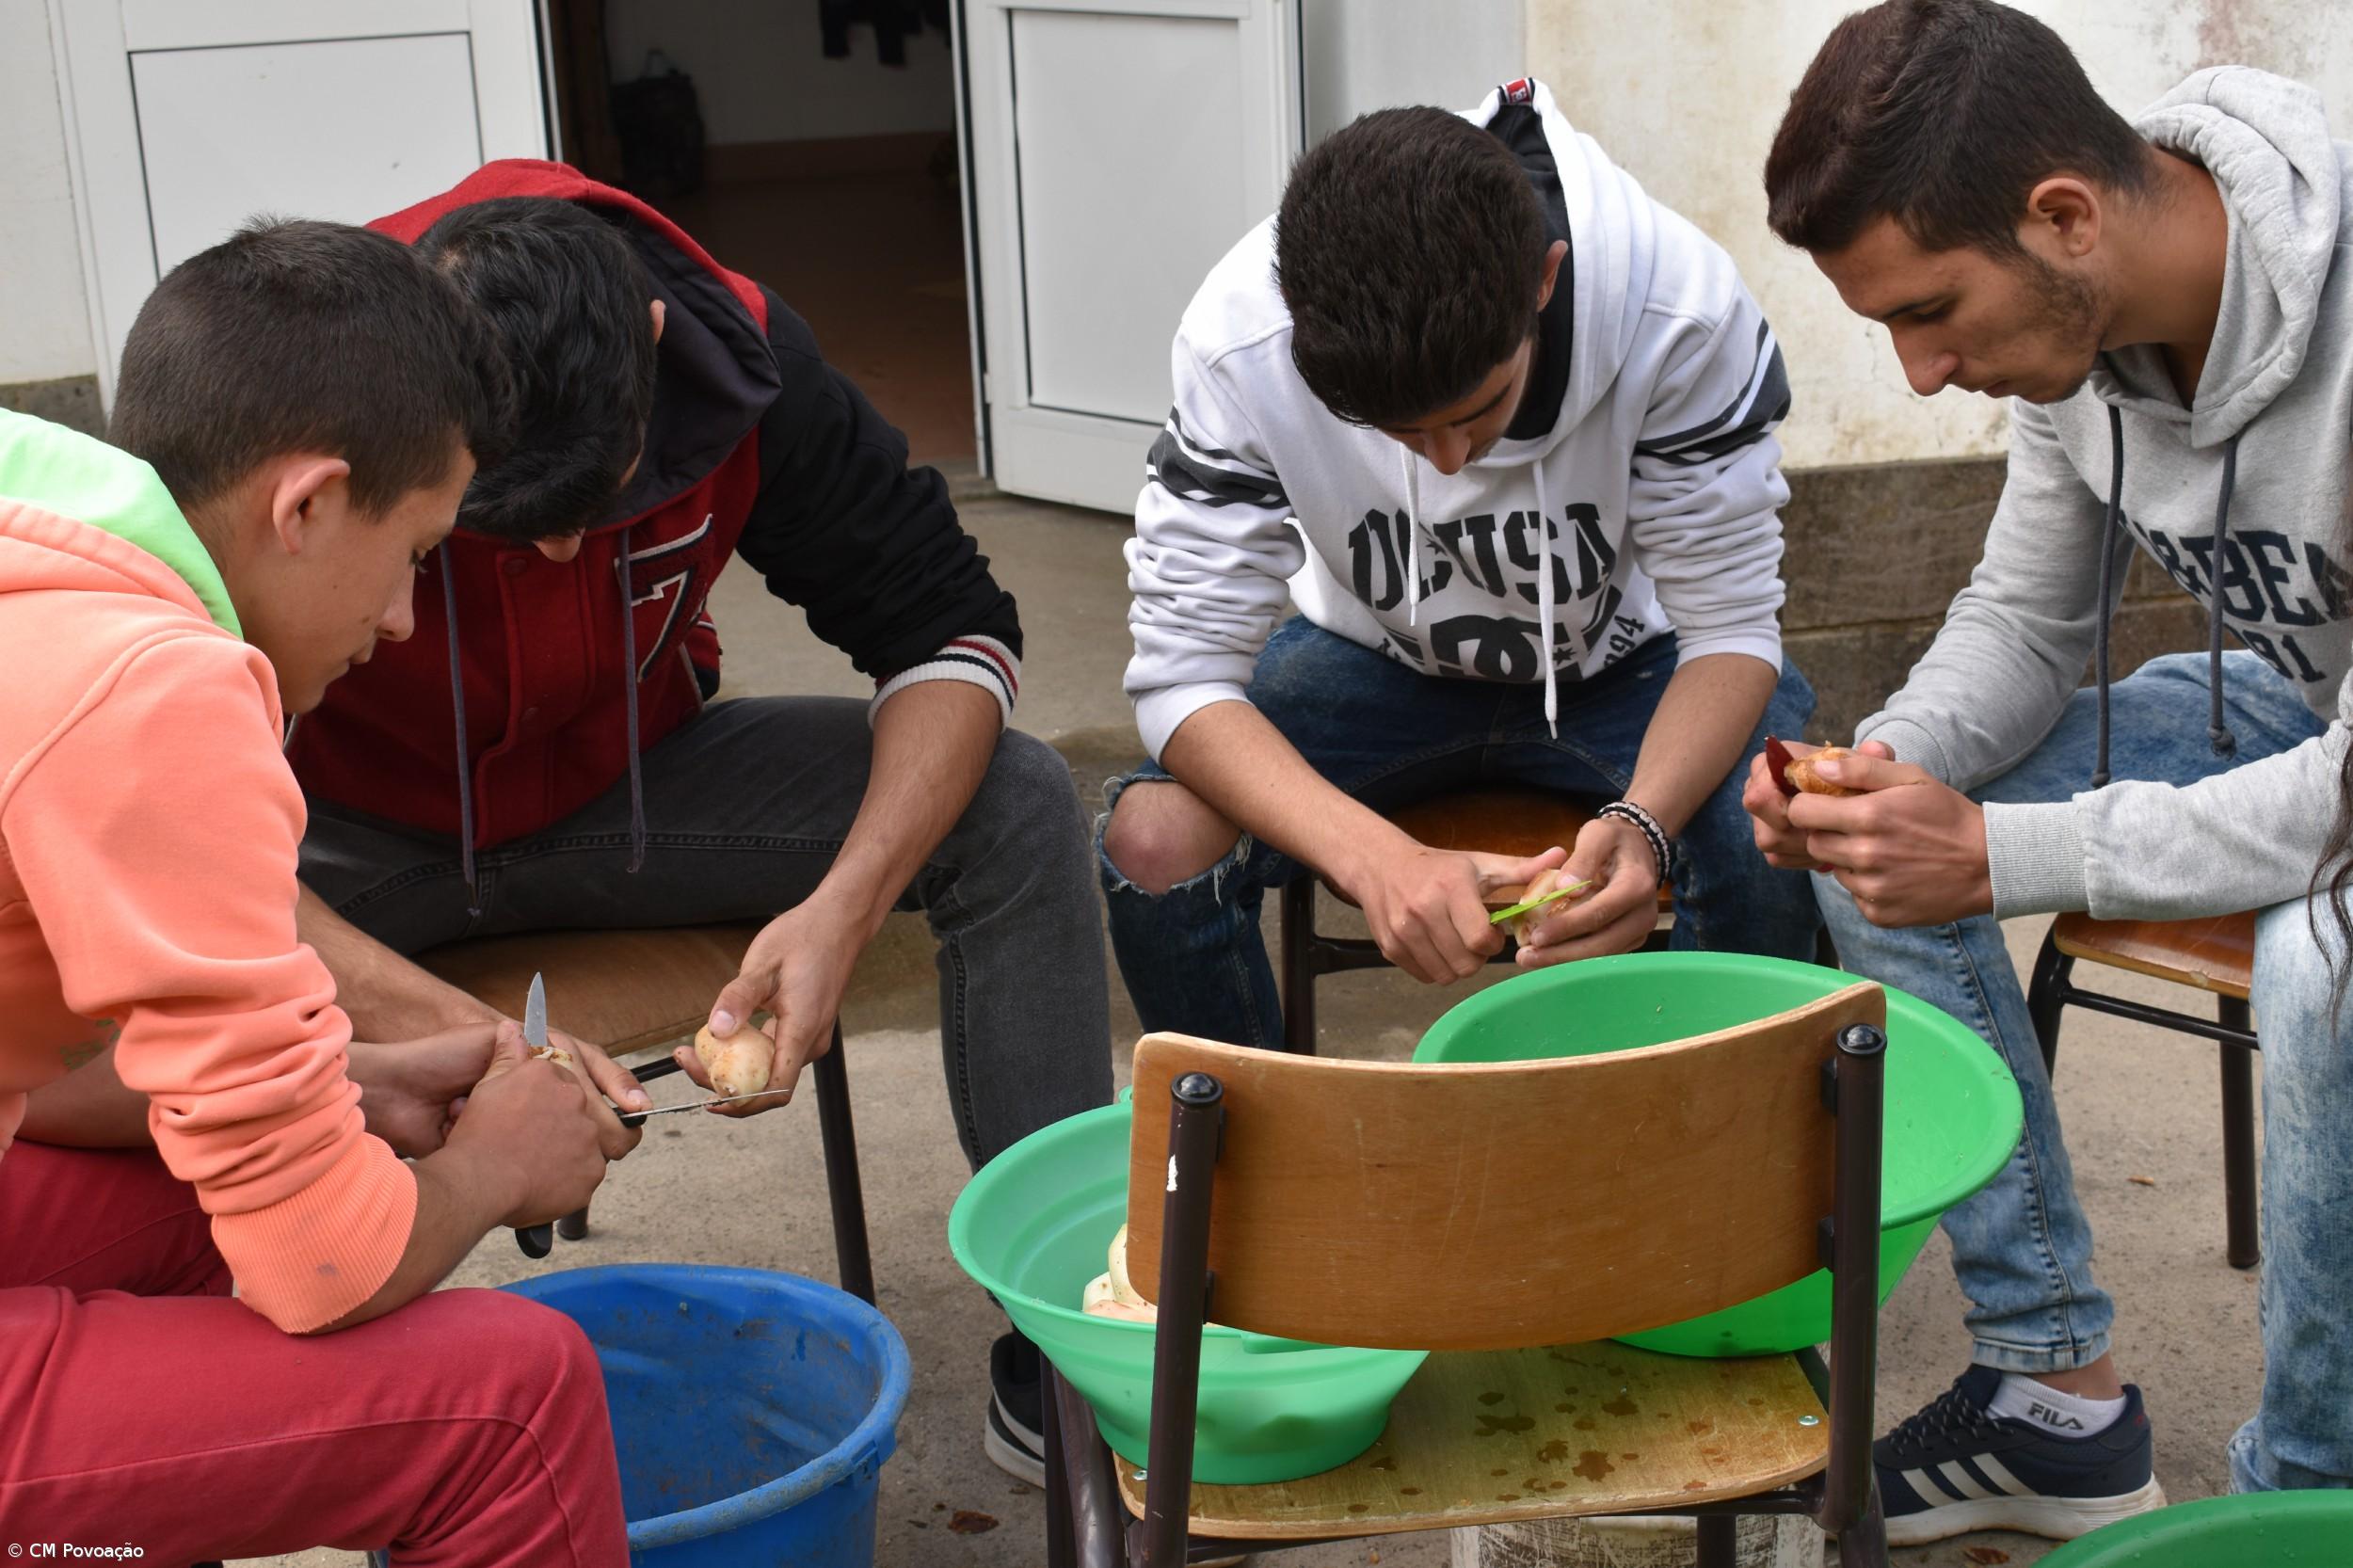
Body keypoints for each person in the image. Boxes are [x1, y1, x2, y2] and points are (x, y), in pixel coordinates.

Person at [279, 162, 1113, 1484]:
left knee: (1014, 799)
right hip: (342, 839)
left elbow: (948, 624)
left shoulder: (745, 358)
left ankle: (1075, 1339)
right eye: (500, 518)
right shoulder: (303, 377)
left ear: (655, 347)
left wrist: (844, 906)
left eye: (599, 504)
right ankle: (246, 1416)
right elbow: (166, 820)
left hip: (638, 789)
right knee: (106, 954)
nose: (560, 556)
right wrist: (464, 1033)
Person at [1755, 0, 2353, 1542]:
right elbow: (2025, 623)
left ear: (2067, 217)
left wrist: (2009, 853)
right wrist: (1876, 770)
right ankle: (2054, 1398)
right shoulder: (2074, 352)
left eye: (1931, 311)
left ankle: (2310, 1493)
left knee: (2325, 967)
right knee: (1880, 838)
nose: (1920, 373)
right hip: (2299, 704)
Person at [0, 222, 632, 1562]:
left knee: (201, 1205)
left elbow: (34, 1089)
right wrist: (493, 1166)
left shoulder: (40, 553)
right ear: (306, 505)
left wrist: (347, 1083)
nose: (403, 618)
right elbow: (323, 1267)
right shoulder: (153, 689)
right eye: (415, 552)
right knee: (514, 1403)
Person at [1098, 80, 1821, 1046]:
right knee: (1154, 840)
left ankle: (1716, 1131)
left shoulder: (1678, 313)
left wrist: (1645, 825)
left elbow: (1731, 630)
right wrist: (1372, 857)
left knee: (1770, 833)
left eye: (1480, 409)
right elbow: (1182, 676)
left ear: (1544, 282)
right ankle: (1259, 1142)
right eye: (1397, 431)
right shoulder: (1241, 342)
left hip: (1635, 667)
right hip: (1372, 662)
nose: (1446, 464)